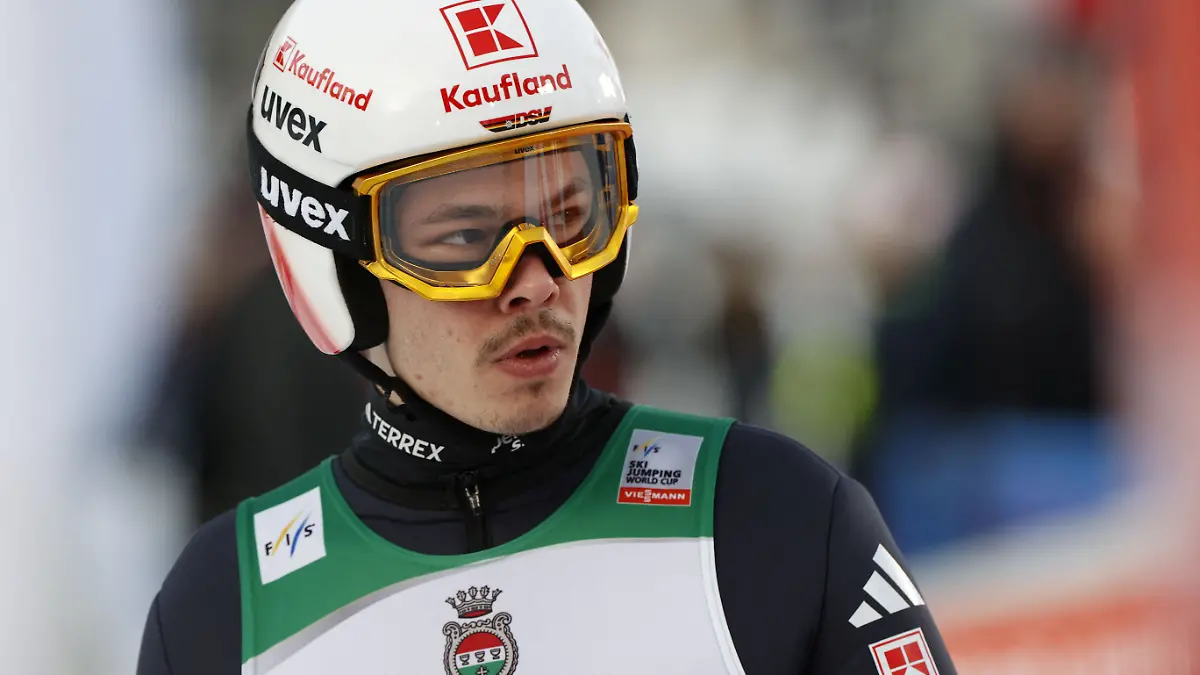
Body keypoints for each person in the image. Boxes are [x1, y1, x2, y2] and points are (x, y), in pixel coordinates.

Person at [137, 0, 957, 672]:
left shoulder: (776, 518)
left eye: (571, 216)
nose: (536, 280)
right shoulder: (225, 610)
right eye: (464, 238)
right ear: (332, 261)